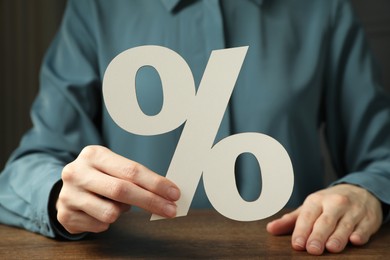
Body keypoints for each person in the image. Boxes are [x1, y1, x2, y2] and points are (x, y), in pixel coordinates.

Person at [1, 0, 389, 256]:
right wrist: (58, 196)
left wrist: (365, 192)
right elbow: (29, 166)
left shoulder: (323, 9)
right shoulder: (96, 9)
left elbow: (382, 156)